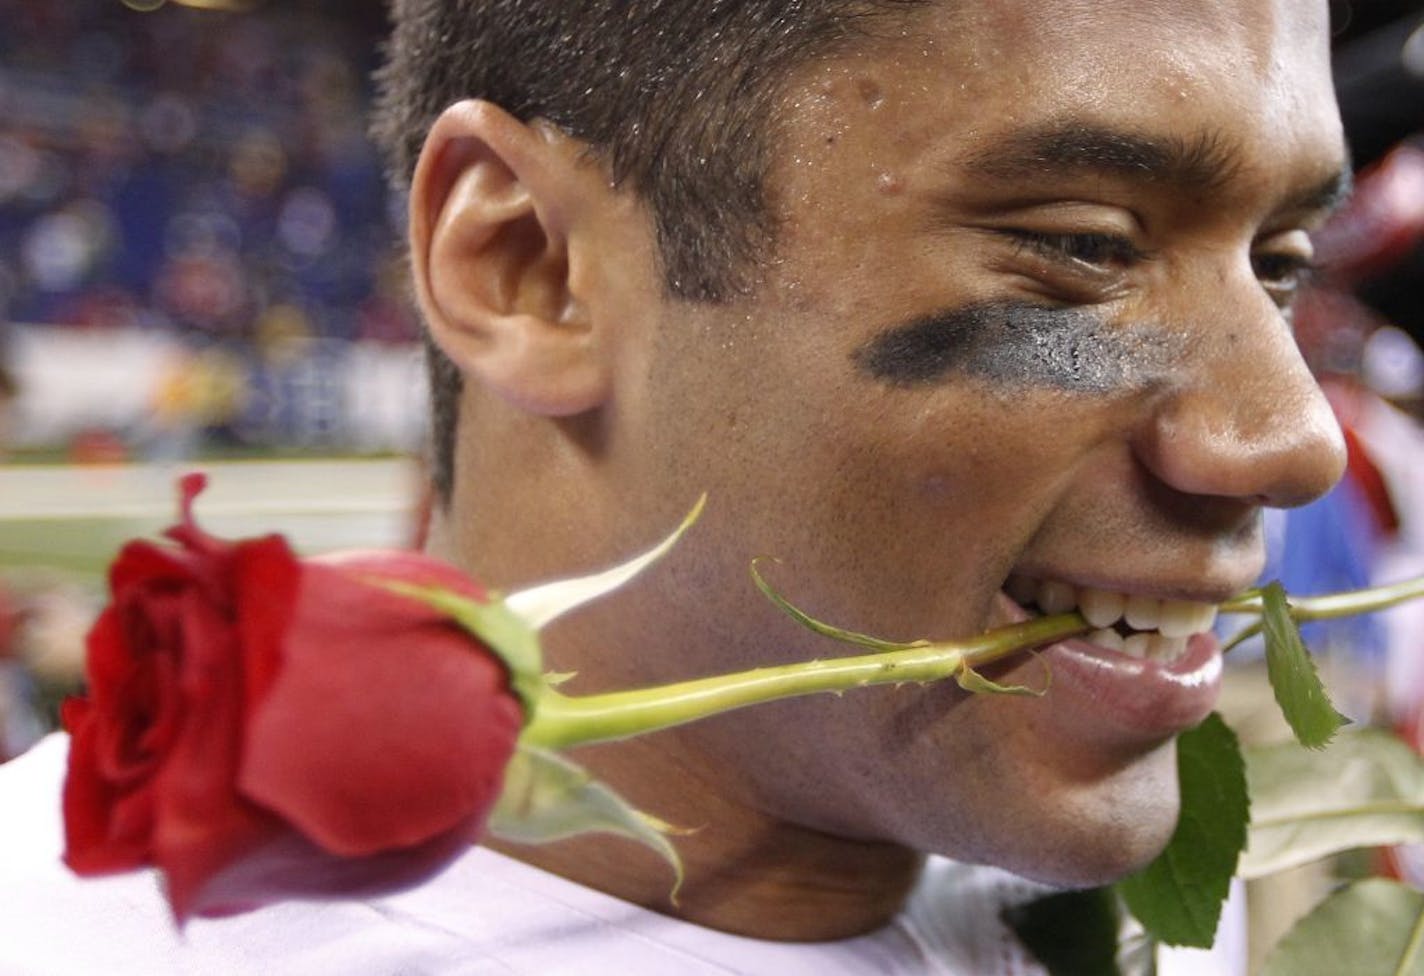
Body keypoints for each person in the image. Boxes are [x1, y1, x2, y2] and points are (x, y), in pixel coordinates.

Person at [0, 0, 1348, 972]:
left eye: (1281, 261)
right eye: (1085, 248)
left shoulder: (1135, 883)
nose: (1296, 439)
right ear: (527, 265)